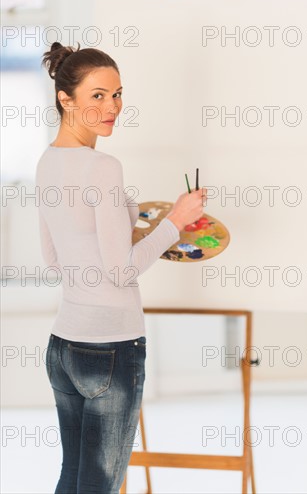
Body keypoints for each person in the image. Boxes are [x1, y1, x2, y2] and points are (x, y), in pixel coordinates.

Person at [36, 42, 207, 493]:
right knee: (100, 485)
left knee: (73, 476)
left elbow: (55, 257)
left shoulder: (47, 162)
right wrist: (175, 221)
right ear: (65, 99)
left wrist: (131, 217)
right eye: (97, 95)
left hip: (64, 347)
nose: (112, 107)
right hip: (110, 348)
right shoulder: (103, 167)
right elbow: (120, 272)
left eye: (116, 94)